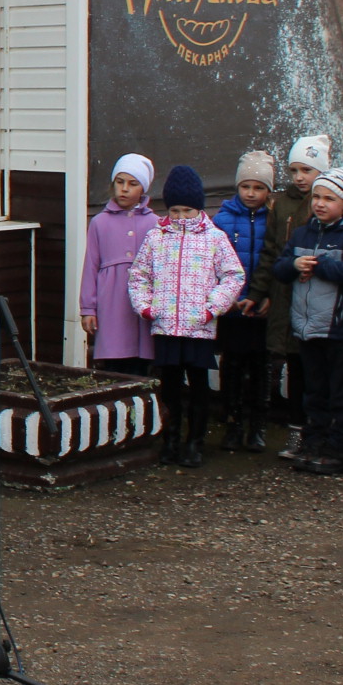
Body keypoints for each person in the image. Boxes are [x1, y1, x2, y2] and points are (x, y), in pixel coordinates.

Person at [127, 164, 242, 468]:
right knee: (171, 386)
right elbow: (138, 275)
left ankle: (196, 442)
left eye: (187, 211)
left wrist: (211, 308)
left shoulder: (214, 239)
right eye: (175, 210)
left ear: (198, 208)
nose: (180, 217)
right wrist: (146, 307)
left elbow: (233, 276)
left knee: (199, 386)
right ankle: (172, 440)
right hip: (166, 325)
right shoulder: (156, 238)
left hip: (199, 327)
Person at [286, 165, 343, 476]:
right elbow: (281, 269)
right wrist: (295, 263)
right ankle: (314, 443)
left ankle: (340, 450)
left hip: (338, 329)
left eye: (329, 198)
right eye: (316, 197)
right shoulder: (301, 233)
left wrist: (317, 266)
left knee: (340, 393)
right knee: (314, 391)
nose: (320, 203)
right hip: (307, 328)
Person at [252, 136, 332, 461]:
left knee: (314, 370)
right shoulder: (280, 204)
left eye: (307, 169)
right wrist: (260, 292)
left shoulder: (324, 202)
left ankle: (320, 434)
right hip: (285, 296)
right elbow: (270, 252)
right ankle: (296, 433)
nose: (299, 176)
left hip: (315, 298)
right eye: (294, 169)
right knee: (293, 368)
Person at [211, 152, 275, 451]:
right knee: (232, 365)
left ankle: (258, 425)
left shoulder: (274, 221)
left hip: (260, 308)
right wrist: (228, 297)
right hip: (233, 308)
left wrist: (265, 296)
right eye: (246, 186)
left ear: (268, 191)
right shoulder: (222, 220)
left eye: (259, 187)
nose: (251, 193)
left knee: (261, 366)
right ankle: (233, 423)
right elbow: (213, 265)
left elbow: (275, 259)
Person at [79, 153, 157, 375]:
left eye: (132, 184)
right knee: (113, 364)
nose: (124, 189)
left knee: (140, 363)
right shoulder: (99, 223)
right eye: (119, 182)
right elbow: (90, 266)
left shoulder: (154, 223)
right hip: (110, 302)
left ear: (143, 188)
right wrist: (88, 308)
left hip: (141, 305)